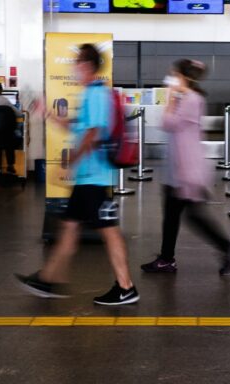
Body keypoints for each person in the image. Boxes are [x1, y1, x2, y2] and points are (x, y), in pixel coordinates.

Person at [16, 43, 139, 305]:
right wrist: (48, 113)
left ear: (86, 66)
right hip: (87, 177)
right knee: (70, 228)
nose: (74, 69)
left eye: (76, 64)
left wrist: (70, 162)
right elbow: (78, 126)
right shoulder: (89, 94)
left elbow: (94, 133)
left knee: (108, 231)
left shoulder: (95, 94)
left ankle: (126, 287)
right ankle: (49, 279)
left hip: (94, 177)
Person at [141, 59, 230, 276]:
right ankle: (166, 258)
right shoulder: (187, 97)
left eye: (173, 73)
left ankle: (229, 250)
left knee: (192, 216)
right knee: (174, 215)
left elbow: (168, 123)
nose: (169, 77)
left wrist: (170, 97)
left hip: (185, 169)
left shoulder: (190, 99)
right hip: (178, 167)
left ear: (181, 76)